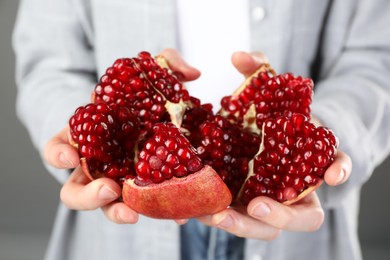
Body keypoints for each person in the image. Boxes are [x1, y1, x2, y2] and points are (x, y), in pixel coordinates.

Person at [12, 0, 390, 260]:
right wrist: (89, 135)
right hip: (116, 238)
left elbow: (375, 59)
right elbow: (50, 63)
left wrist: (315, 138)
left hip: (295, 239)